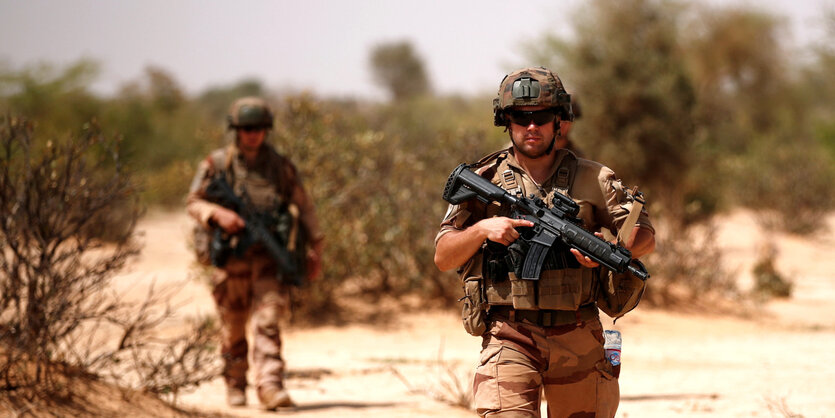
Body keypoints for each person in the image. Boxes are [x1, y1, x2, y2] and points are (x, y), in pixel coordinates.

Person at [434, 67, 655, 417]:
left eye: (542, 117)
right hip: (510, 334)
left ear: (560, 121)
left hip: (579, 334)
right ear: (506, 121)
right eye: (521, 117)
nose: (532, 127)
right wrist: (482, 229)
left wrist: (611, 248)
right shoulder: (484, 179)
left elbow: (645, 238)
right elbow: (443, 256)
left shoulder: (594, 177)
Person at [187, 96, 324, 409]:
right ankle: (235, 382)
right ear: (236, 130)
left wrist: (315, 248)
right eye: (247, 128)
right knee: (232, 325)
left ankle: (269, 385)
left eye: (260, 128)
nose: (253, 134)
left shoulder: (280, 168)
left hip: (267, 259)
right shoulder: (217, 165)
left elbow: (305, 208)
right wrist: (218, 215)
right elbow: (193, 202)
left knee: (268, 320)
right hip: (231, 258)